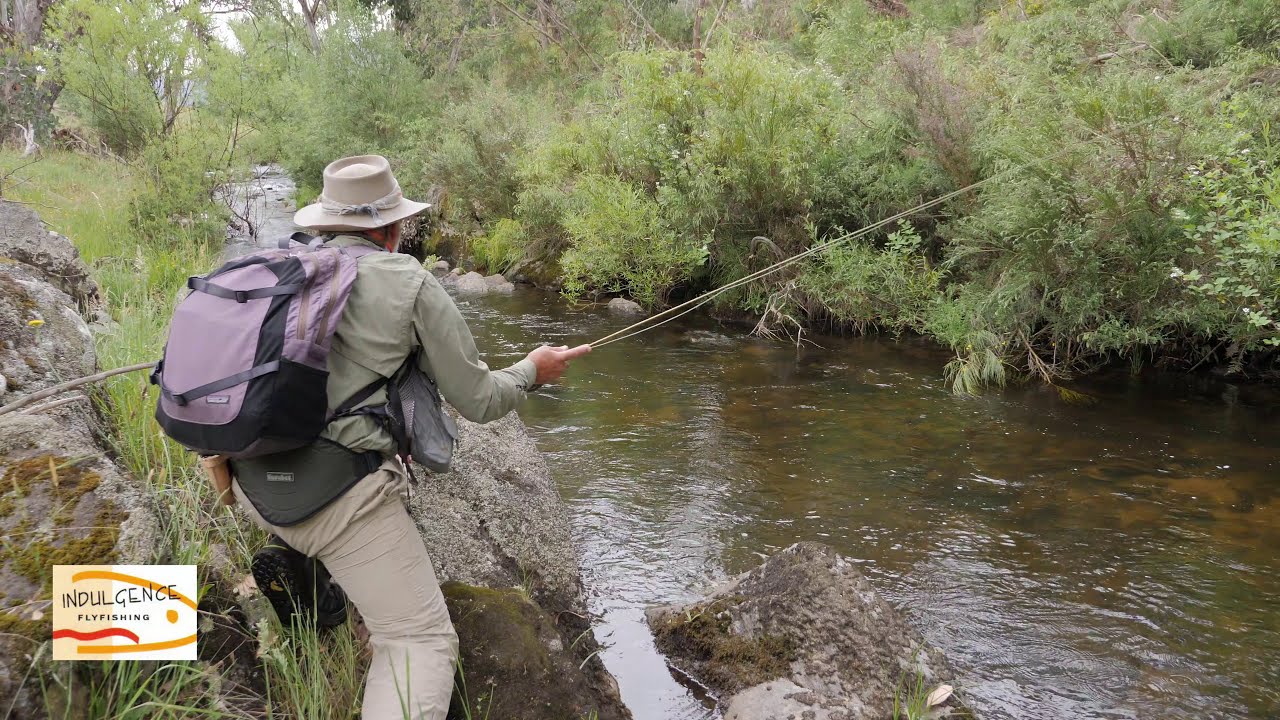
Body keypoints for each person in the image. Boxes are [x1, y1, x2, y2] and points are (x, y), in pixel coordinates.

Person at [228, 155, 590, 719]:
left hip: (249, 485)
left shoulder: (272, 267)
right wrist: (531, 371)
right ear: (394, 228)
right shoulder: (410, 282)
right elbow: (479, 400)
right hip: (332, 502)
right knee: (420, 643)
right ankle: (315, 554)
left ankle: (296, 556)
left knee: (317, 499)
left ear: (324, 222)